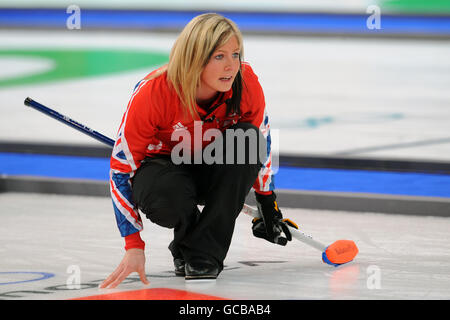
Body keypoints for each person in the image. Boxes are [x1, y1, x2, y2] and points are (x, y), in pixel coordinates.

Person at [99, 13, 297, 289]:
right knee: (167, 198)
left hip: (214, 168)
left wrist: (268, 204)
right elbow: (121, 170)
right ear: (193, 57)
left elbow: (260, 142)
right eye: (219, 56)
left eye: (236, 54)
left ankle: (204, 255)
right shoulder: (154, 92)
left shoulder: (246, 83)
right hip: (165, 167)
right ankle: (188, 234)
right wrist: (133, 244)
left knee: (247, 138)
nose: (231, 66)